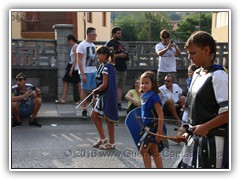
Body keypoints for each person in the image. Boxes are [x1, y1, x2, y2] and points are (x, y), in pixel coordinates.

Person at [176, 31, 228, 168]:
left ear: (206, 50)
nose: (189, 57)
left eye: (193, 53)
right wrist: (187, 130)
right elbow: (191, 107)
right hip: (195, 139)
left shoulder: (219, 76)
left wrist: (205, 127)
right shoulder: (197, 73)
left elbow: (228, 113)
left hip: (214, 140)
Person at [90, 46, 118, 150]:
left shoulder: (107, 67)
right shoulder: (104, 66)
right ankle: (103, 138)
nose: (97, 56)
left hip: (106, 96)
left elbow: (105, 85)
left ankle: (111, 142)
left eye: (99, 54)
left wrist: (95, 90)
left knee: (108, 119)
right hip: (102, 95)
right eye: (97, 54)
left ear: (105, 55)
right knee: (94, 115)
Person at [138, 71, 164, 168]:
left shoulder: (154, 97)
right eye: (142, 83)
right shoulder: (144, 95)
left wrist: (159, 131)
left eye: (147, 83)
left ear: (153, 84)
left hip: (153, 128)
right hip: (147, 127)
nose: (144, 85)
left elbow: (160, 115)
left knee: (143, 150)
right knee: (154, 151)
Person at [105, 27, 130, 110]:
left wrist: (125, 55)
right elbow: (108, 56)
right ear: (113, 34)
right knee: (112, 87)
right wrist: (120, 55)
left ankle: (118, 104)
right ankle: (110, 104)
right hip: (115, 69)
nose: (120, 35)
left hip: (123, 68)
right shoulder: (110, 43)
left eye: (120, 33)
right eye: (118, 33)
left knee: (120, 88)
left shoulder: (119, 44)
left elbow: (124, 53)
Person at [77, 27, 97, 119]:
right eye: (94, 34)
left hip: (94, 71)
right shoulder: (81, 45)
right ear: (89, 34)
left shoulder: (93, 45)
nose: (96, 35)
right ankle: (84, 109)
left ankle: (95, 108)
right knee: (84, 90)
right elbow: (79, 60)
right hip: (86, 72)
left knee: (95, 91)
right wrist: (83, 74)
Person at [55, 34, 81, 104]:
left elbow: (76, 58)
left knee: (77, 83)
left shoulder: (75, 46)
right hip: (72, 66)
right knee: (67, 81)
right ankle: (63, 99)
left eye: (68, 40)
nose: (68, 42)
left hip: (74, 67)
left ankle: (81, 99)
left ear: (71, 40)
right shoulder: (74, 46)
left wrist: (72, 69)